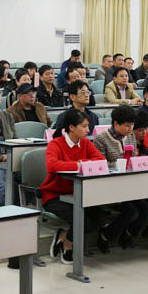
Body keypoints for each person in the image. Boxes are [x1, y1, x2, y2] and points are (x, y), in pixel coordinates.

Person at [42, 109, 106, 264]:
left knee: (100, 217)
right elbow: (52, 165)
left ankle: (64, 236)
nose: (88, 130)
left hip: (80, 193)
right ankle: (68, 244)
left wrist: (80, 164)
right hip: (55, 195)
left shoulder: (86, 143)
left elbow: (100, 160)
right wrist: (80, 165)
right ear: (71, 127)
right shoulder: (56, 144)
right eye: (84, 126)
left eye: (88, 126)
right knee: (82, 220)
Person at [93, 105, 148, 251]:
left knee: (146, 208)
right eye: (127, 125)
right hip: (109, 186)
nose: (130, 129)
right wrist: (120, 164)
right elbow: (100, 165)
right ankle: (106, 235)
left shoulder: (130, 136)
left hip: (129, 185)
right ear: (116, 123)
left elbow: (133, 158)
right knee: (131, 211)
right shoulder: (101, 139)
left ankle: (128, 234)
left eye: (132, 125)